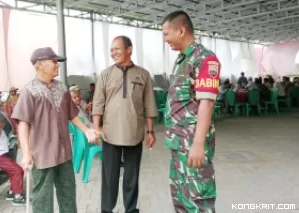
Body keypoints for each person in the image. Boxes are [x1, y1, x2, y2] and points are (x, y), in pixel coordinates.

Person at [11, 47, 101, 213]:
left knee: (68, 197)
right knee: (43, 202)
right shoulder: (29, 91)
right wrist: (26, 153)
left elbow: (72, 114)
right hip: (42, 157)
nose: (57, 65)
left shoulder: (62, 88)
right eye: (53, 61)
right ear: (39, 65)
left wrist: (86, 130)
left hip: (64, 154)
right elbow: (23, 123)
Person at [162, 11, 220, 212]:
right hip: (179, 146)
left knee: (198, 202)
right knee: (181, 199)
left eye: (166, 33)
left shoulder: (205, 59)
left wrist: (198, 144)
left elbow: (207, 104)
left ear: (181, 30)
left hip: (192, 146)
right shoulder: (182, 60)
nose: (165, 39)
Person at [92, 35, 158, 213]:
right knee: (109, 177)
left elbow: (149, 104)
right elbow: (98, 102)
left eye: (117, 48)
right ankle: (107, 210)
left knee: (132, 176)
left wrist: (150, 131)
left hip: (134, 133)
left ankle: (130, 209)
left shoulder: (143, 74)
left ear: (129, 49)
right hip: (109, 134)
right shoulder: (105, 74)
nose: (113, 52)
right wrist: (96, 128)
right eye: (111, 50)